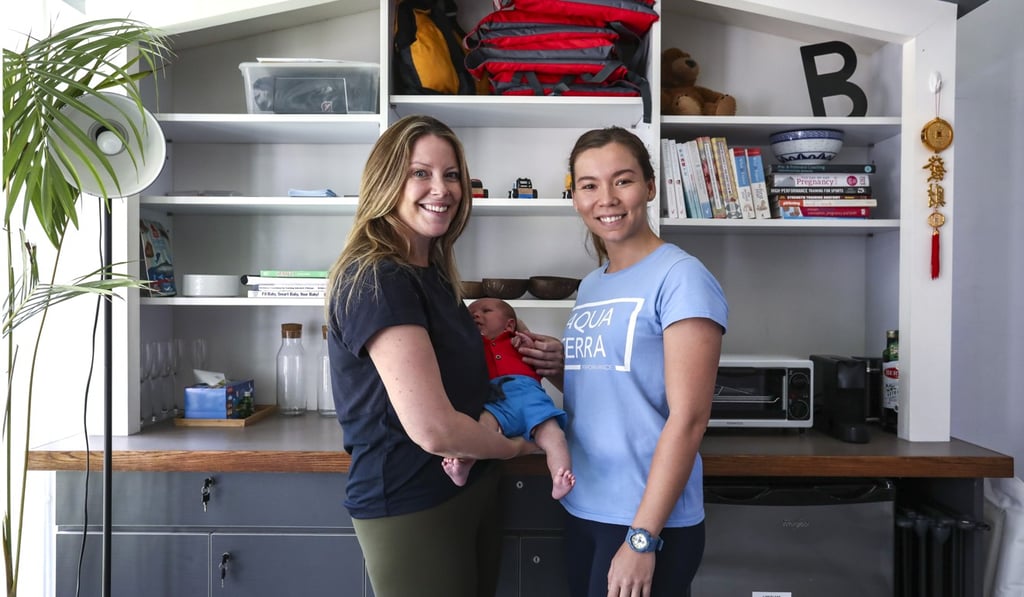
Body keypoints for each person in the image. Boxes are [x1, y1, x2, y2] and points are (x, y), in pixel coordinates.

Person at [324, 114, 537, 597]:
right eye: (420, 173)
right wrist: (516, 448)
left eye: (452, 174)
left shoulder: (430, 273)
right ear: (387, 181)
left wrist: (518, 346)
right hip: (411, 497)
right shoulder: (381, 277)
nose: (441, 189)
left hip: (466, 483)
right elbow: (434, 430)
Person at [528, 126, 729, 597]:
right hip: (585, 504)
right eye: (589, 185)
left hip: (646, 520)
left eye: (623, 180)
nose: (607, 198)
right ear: (574, 196)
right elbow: (617, 385)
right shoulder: (594, 283)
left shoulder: (681, 277)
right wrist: (561, 368)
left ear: (650, 187)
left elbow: (690, 418)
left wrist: (642, 539)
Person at [442, 297, 575, 499]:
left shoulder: (519, 342)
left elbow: (543, 355)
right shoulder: (471, 346)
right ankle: (462, 466)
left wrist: (525, 340)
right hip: (495, 401)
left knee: (554, 435)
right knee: (479, 428)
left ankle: (559, 476)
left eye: (486, 311)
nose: (476, 314)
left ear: (510, 324)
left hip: (531, 397)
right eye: (471, 313)